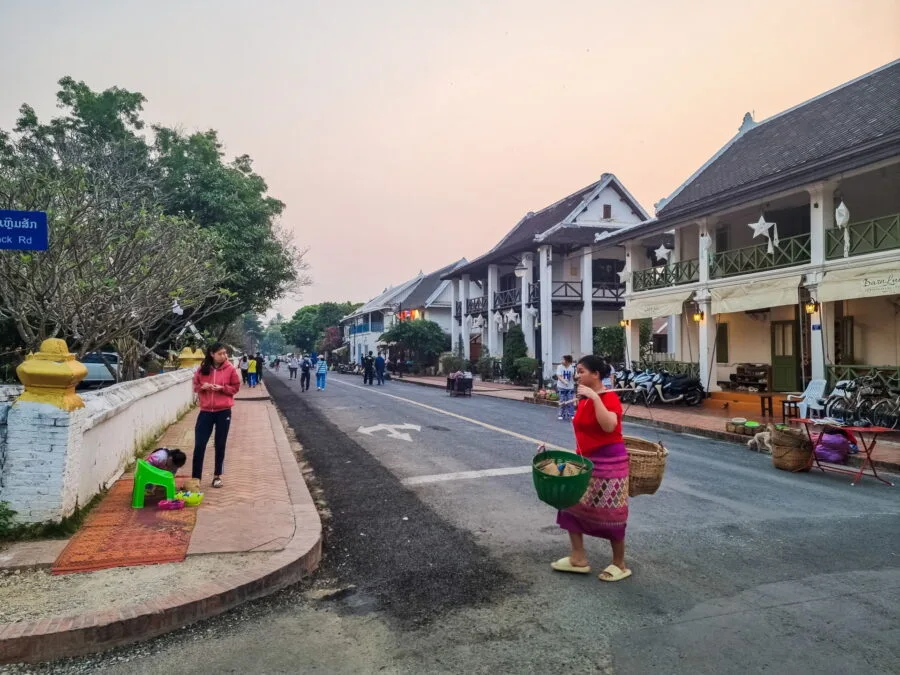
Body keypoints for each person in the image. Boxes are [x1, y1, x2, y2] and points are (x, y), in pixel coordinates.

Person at [552, 355, 631, 582]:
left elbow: (609, 427)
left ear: (596, 375)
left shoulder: (609, 398)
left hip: (609, 463)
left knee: (611, 513)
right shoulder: (583, 398)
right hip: (584, 461)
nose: (577, 375)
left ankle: (620, 563)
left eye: (582, 371)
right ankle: (578, 557)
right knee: (570, 504)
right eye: (577, 371)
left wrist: (596, 398)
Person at [192, 343, 241, 489]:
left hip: (223, 411)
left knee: (220, 444)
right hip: (206, 411)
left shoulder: (230, 369)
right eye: (220, 353)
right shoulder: (202, 369)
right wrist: (203, 387)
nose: (224, 356)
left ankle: (217, 475)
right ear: (212, 354)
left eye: (225, 353)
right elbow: (195, 386)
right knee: (199, 445)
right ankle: (196, 478)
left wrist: (222, 389)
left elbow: (236, 388)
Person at [556, 355, 576, 421]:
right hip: (561, 387)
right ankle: (561, 414)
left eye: (563, 360)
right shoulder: (559, 367)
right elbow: (559, 376)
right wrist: (564, 382)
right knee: (562, 401)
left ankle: (571, 414)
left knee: (570, 401)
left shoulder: (572, 368)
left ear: (567, 361)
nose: (562, 361)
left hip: (570, 387)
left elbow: (574, 376)